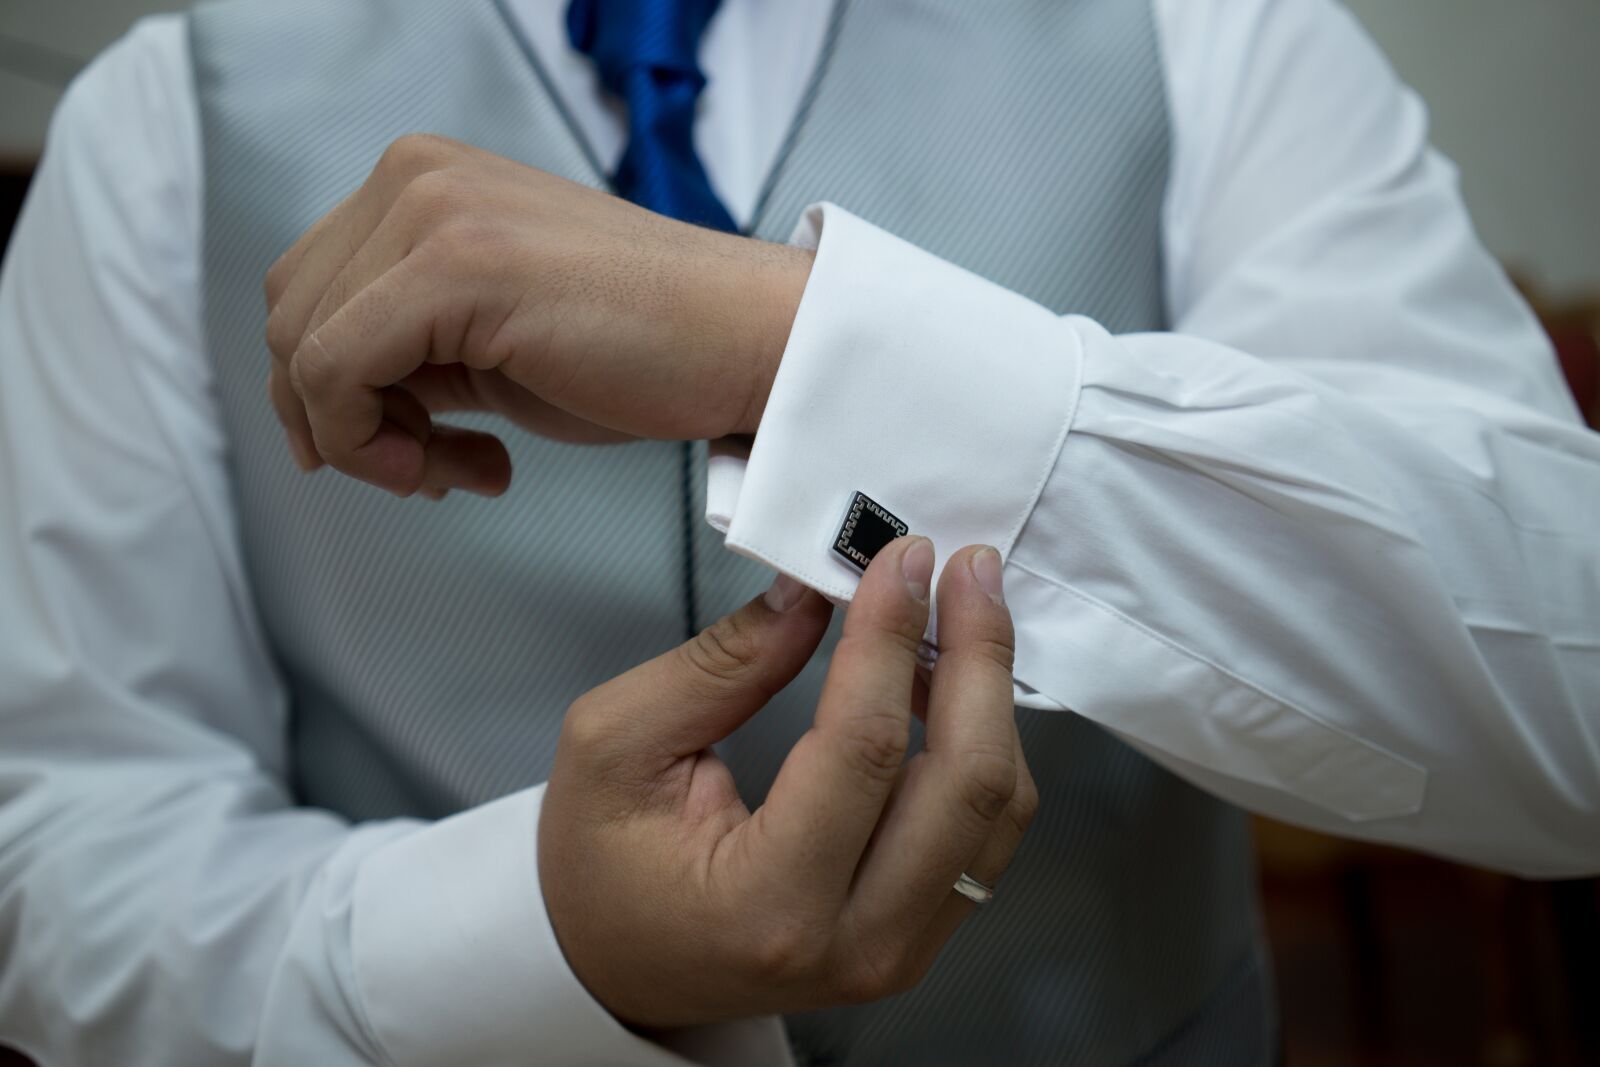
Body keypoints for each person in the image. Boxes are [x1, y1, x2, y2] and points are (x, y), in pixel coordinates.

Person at [1, 0, 1597, 1064]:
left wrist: (798, 342)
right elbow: (69, 846)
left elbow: (1571, 708)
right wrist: (520, 941)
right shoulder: (164, 129)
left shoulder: (1210, 31)